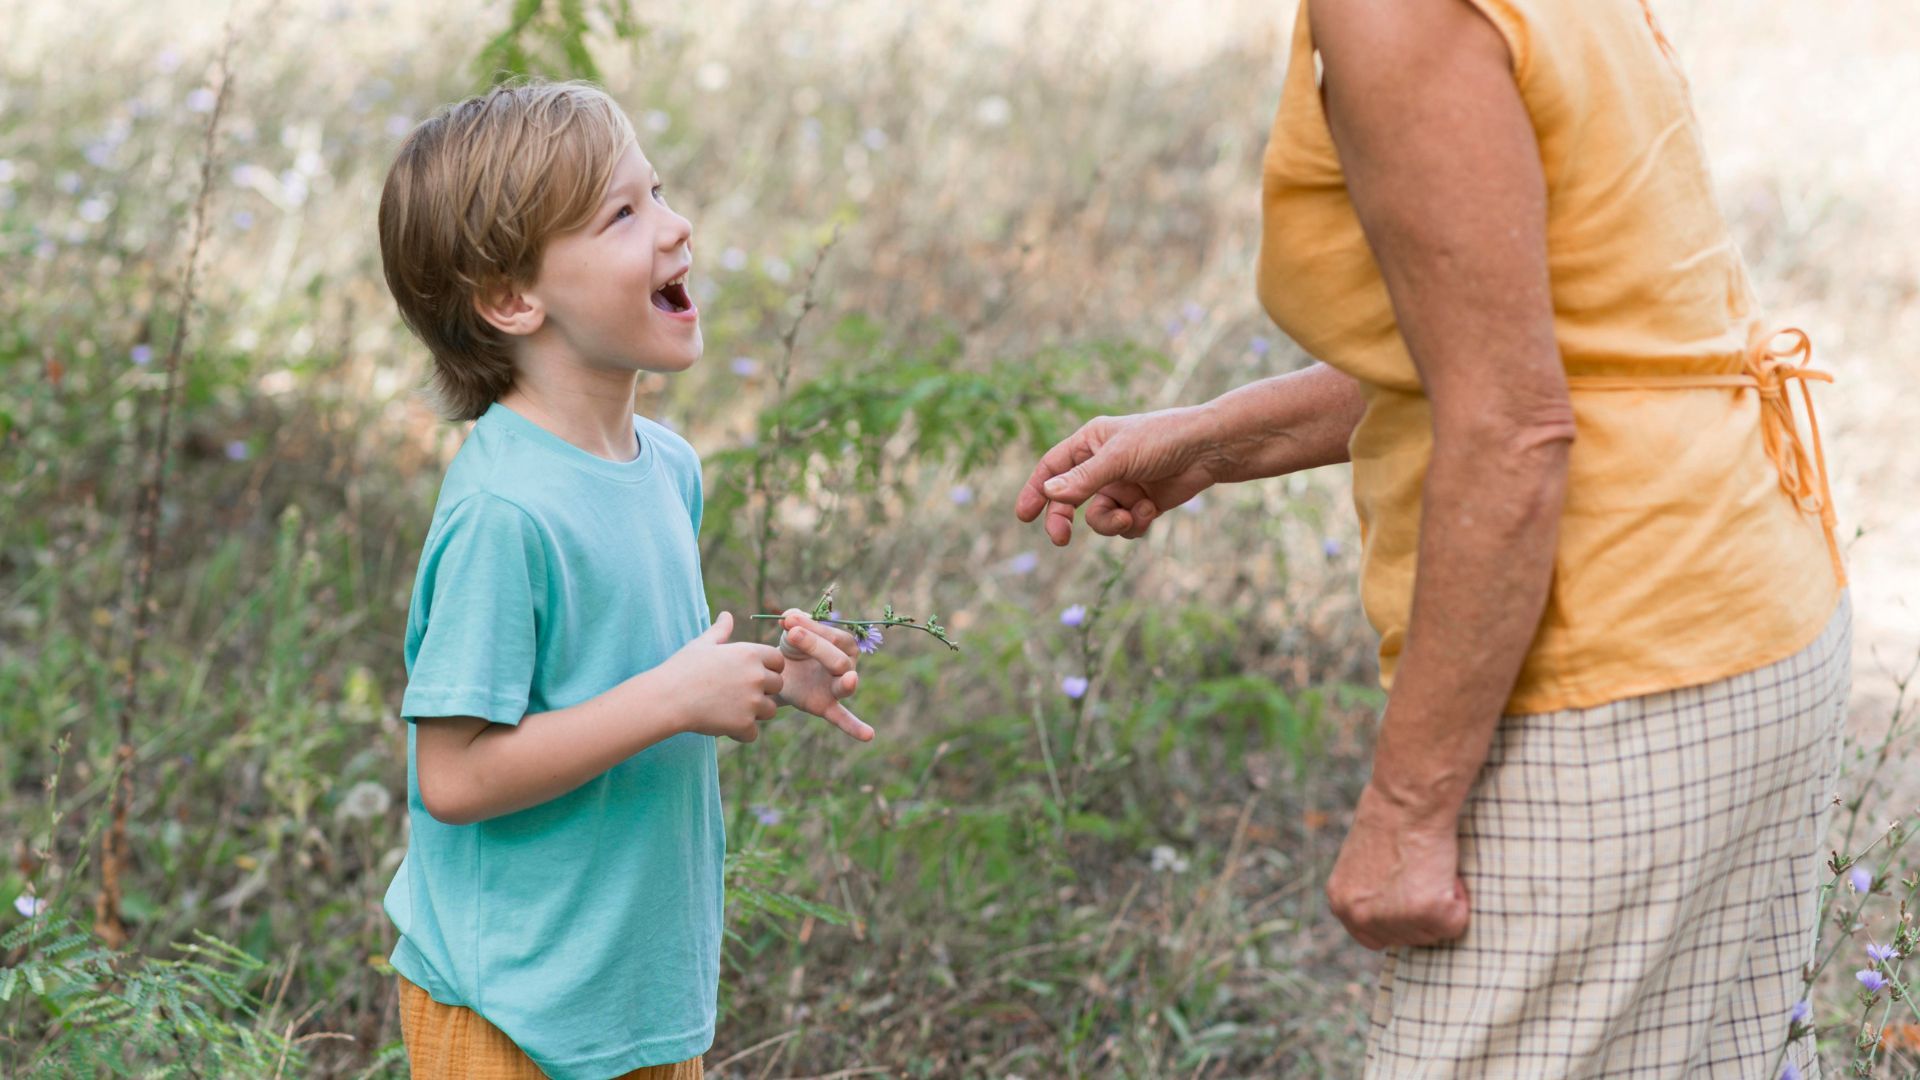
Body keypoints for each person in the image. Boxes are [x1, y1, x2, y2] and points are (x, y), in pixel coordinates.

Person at [1015, 0, 1849, 1074]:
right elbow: (1545, 331)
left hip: (1617, 659)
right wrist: (1214, 444)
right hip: (1743, 613)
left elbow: (1512, 423)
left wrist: (1407, 813)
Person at [374, 79, 873, 1080]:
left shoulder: (666, 466)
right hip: (509, 1009)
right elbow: (455, 777)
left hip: (634, 994)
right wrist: (673, 698)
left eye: (660, 191)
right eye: (623, 213)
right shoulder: (504, 513)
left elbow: (639, 686)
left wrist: (761, 676)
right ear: (516, 299)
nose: (676, 227)